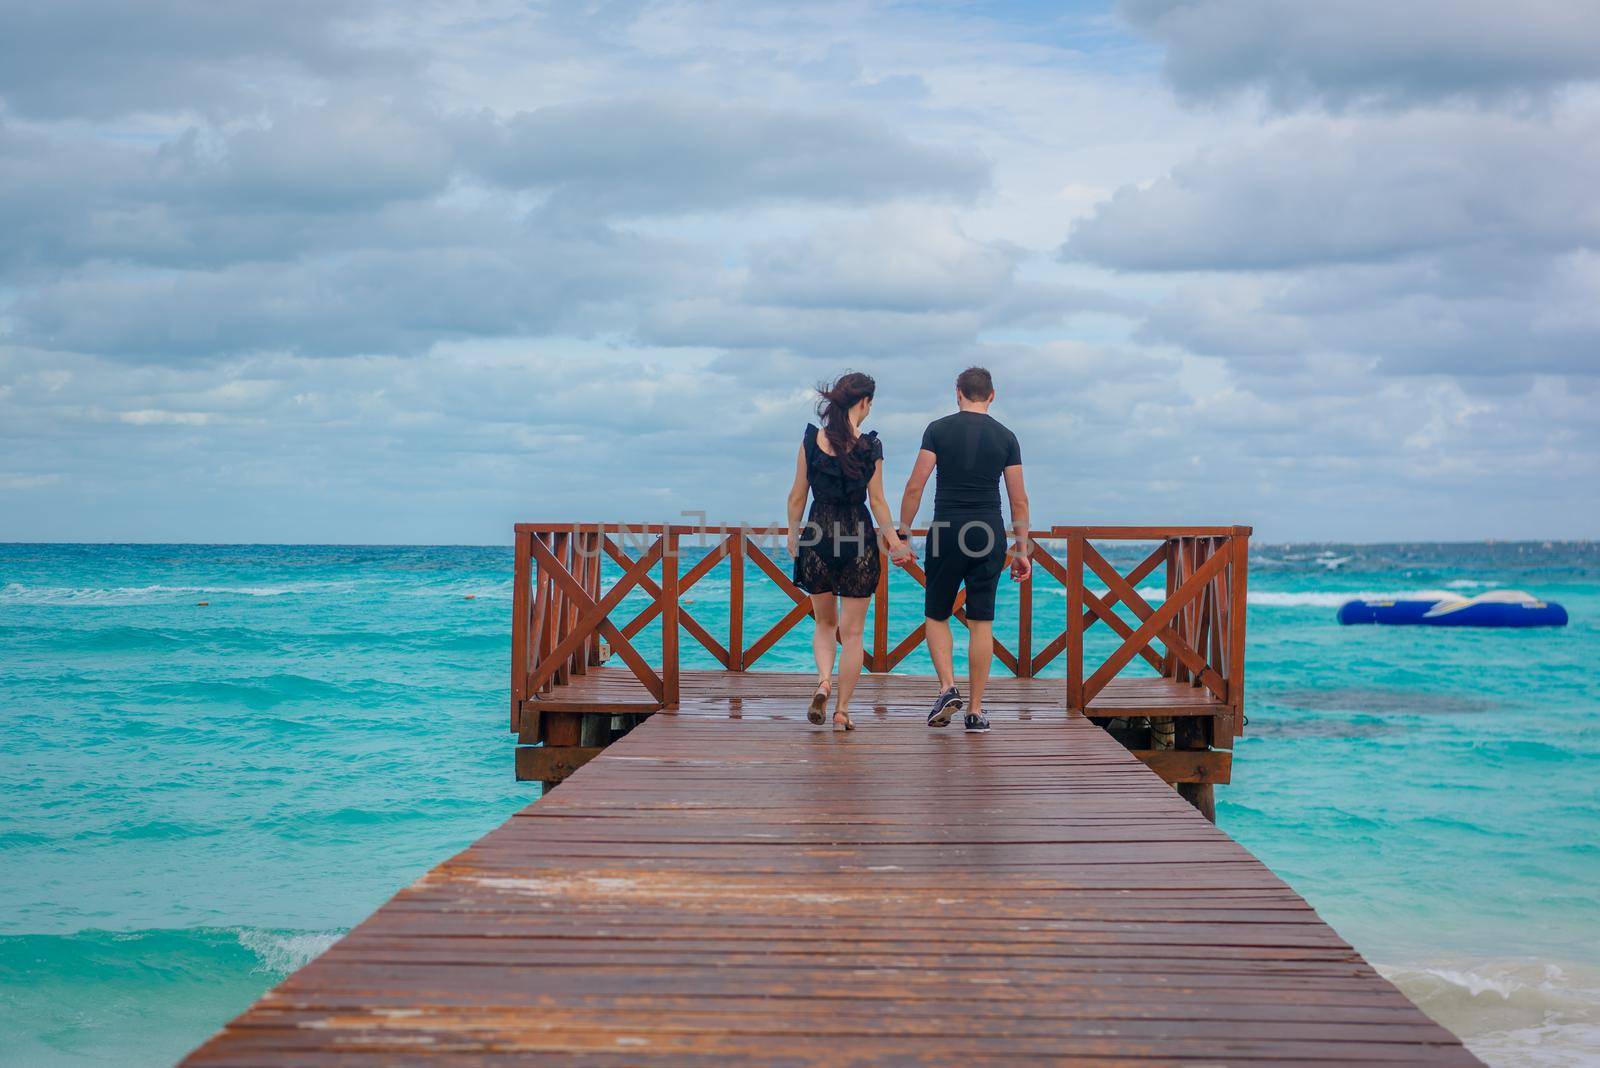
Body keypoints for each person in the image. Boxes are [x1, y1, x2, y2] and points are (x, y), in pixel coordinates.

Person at [897, 367, 1030, 732]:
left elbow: (914, 486)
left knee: (937, 613)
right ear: (992, 395)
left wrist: (903, 535)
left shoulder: (937, 430)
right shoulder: (1006, 437)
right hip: (987, 531)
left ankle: (947, 688)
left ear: (958, 393)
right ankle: (974, 710)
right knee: (981, 621)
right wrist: (1021, 549)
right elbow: (1018, 500)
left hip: (947, 528)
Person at [786, 372, 913, 731]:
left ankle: (824, 681)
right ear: (864, 403)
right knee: (852, 633)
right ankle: (842, 709)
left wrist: (794, 535)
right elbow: (878, 503)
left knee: (824, 623)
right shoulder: (870, 446)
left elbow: (797, 495)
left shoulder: (812, 440)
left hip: (818, 535)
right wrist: (896, 543)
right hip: (857, 538)